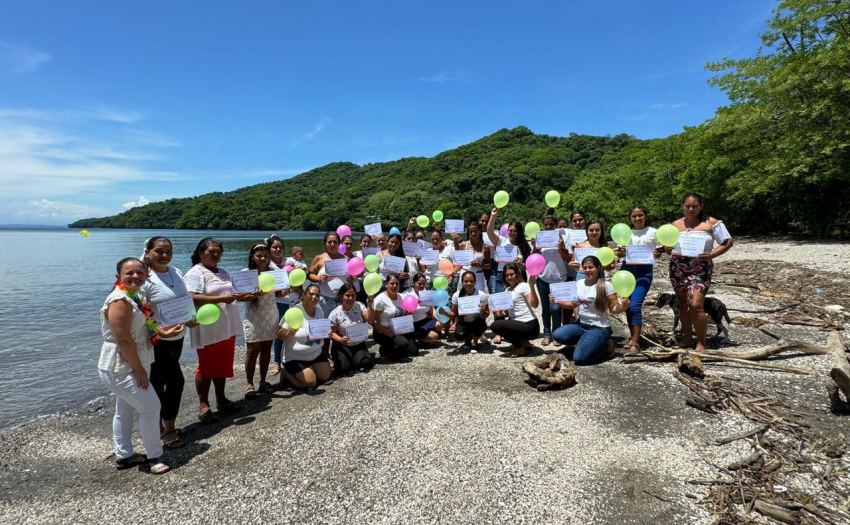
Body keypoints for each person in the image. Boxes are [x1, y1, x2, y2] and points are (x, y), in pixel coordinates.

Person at [99, 258, 184, 474]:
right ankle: (155, 456)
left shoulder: (135, 296)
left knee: (124, 409)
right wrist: (137, 369)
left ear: (146, 275)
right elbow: (124, 339)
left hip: (139, 360)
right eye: (129, 273)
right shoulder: (119, 300)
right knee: (151, 407)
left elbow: (145, 324)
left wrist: (163, 332)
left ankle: (124, 455)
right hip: (121, 365)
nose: (135, 276)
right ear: (118, 277)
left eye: (139, 272)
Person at [184, 238, 253, 422]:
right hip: (207, 327)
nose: (215, 255)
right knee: (206, 367)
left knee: (222, 364)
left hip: (226, 325)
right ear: (201, 252)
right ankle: (203, 404)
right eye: (210, 251)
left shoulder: (223, 272)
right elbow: (191, 298)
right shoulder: (195, 273)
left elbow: (233, 296)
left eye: (218, 252)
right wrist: (220, 300)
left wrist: (252, 294)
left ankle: (221, 399)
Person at [141, 236, 195, 450]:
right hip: (155, 340)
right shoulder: (143, 278)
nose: (164, 255)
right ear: (148, 252)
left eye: (168, 251)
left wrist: (189, 316)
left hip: (177, 337)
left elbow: (183, 300)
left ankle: (158, 426)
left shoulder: (176, 272)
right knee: (176, 381)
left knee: (163, 382)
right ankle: (169, 429)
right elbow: (136, 312)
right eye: (159, 251)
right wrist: (158, 330)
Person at [669, 193, 733, 351]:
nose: (691, 209)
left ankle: (701, 343)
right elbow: (666, 245)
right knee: (683, 304)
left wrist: (712, 254)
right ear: (682, 207)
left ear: (701, 206)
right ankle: (687, 339)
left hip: (700, 268)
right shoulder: (675, 224)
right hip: (678, 267)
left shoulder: (712, 223)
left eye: (695, 206)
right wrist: (666, 248)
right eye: (688, 206)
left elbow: (727, 242)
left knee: (696, 304)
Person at [551, 256, 631, 365]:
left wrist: (623, 306)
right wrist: (558, 302)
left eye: (590, 267)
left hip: (598, 327)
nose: (587, 270)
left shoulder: (606, 286)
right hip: (581, 324)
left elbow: (613, 308)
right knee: (558, 335)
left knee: (580, 360)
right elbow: (573, 304)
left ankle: (606, 345)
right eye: (585, 268)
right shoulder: (579, 283)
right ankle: (587, 344)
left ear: (598, 268)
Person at [614, 206, 662, 354]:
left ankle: (636, 341)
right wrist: (621, 253)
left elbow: (659, 252)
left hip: (643, 273)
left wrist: (656, 254)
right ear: (630, 218)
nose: (637, 218)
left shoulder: (653, 232)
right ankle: (634, 337)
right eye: (634, 216)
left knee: (635, 305)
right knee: (627, 305)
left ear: (646, 216)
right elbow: (621, 255)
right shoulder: (625, 233)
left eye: (640, 215)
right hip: (626, 272)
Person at [486, 208, 532, 344]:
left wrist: (521, 265)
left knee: (516, 305)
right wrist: (493, 217)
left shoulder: (523, 246)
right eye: (510, 230)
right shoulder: (501, 241)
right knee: (500, 303)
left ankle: (516, 331)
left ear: (519, 232)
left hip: (518, 279)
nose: (512, 233)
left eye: (515, 231)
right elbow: (489, 232)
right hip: (502, 276)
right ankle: (499, 333)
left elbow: (528, 266)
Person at [242, 244, 280, 398]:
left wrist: (290, 288)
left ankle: (262, 382)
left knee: (266, 348)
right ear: (252, 257)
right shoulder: (246, 274)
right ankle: (249, 383)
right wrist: (253, 295)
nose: (263, 258)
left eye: (265, 255)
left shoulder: (275, 272)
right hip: (253, 314)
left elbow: (280, 292)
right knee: (252, 349)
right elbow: (238, 297)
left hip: (270, 312)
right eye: (259, 255)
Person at [277, 284, 332, 389]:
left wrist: (326, 333)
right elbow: (280, 333)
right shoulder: (295, 311)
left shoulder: (319, 311)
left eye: (317, 295)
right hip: (295, 357)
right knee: (310, 383)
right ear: (304, 295)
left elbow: (321, 331)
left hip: (316, 353)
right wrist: (287, 334)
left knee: (325, 376)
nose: (314, 297)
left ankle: (311, 368)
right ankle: (286, 374)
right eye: (311, 294)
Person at [531, 209, 571, 346]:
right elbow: (533, 258)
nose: (548, 227)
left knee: (556, 308)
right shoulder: (540, 238)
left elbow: (568, 258)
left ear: (556, 225)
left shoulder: (563, 237)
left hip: (560, 278)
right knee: (546, 309)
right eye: (546, 225)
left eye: (551, 224)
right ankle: (547, 334)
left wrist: (561, 247)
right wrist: (535, 247)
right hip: (543, 278)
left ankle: (557, 334)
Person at [266, 235, 301, 377]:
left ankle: (294, 357)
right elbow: (274, 291)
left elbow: (302, 272)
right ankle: (277, 362)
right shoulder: (267, 266)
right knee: (280, 333)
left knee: (295, 331)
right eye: (274, 247)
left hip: (296, 302)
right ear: (269, 249)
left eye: (280, 247)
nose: (278, 249)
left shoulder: (290, 261)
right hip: (279, 303)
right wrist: (292, 288)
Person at [489, 263, 540, 357]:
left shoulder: (523, 286)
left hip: (529, 324)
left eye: (512, 274)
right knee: (501, 322)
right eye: (507, 275)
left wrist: (532, 287)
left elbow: (535, 304)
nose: (509, 277)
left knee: (495, 326)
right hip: (518, 323)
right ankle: (524, 343)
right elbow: (510, 313)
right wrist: (501, 313)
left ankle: (519, 348)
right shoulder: (507, 290)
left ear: (517, 274)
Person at [369, 273, 419, 360]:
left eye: (397, 284)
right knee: (402, 344)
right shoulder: (380, 300)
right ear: (386, 284)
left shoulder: (402, 297)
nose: (394, 286)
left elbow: (403, 315)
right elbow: (374, 322)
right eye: (392, 283)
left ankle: (393, 349)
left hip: (399, 330)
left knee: (413, 351)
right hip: (383, 332)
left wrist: (409, 314)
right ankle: (384, 350)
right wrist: (386, 331)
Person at [328, 284, 374, 376]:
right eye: (347, 295)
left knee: (365, 363)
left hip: (358, 342)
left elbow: (370, 320)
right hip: (342, 344)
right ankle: (348, 360)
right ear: (341, 296)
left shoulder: (360, 305)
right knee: (344, 369)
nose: (350, 298)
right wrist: (340, 339)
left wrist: (370, 306)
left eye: (353, 295)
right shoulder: (335, 313)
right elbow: (331, 333)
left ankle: (355, 358)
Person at [308, 232, 349, 317]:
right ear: (325, 243)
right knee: (324, 325)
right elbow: (310, 274)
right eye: (329, 242)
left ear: (339, 243)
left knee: (341, 327)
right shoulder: (319, 258)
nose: (332, 244)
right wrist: (318, 278)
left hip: (342, 299)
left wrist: (352, 278)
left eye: (335, 242)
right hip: (324, 300)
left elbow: (353, 276)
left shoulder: (346, 259)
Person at [448, 271, 490, 352]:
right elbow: (453, 314)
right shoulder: (457, 295)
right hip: (463, 321)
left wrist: (483, 310)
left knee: (480, 325)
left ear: (475, 282)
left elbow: (487, 315)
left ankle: (475, 341)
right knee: (458, 336)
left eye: (471, 281)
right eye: (466, 281)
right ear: (462, 282)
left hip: (476, 321)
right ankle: (467, 339)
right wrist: (445, 313)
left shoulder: (482, 295)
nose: (469, 283)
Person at [450, 221, 491, 292]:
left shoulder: (485, 247)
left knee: (479, 299)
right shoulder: (464, 244)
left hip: (478, 276)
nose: (473, 233)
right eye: (471, 231)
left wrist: (480, 265)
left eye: (475, 231)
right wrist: (455, 240)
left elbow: (489, 265)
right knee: (463, 299)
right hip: (465, 275)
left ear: (480, 230)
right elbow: (458, 255)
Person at [407, 273, 441, 343]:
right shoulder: (407, 294)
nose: (422, 286)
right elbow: (406, 313)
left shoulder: (426, 292)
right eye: (419, 283)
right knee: (435, 337)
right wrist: (414, 304)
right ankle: (415, 337)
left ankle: (427, 336)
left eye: (424, 283)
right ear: (413, 283)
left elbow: (432, 309)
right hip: (414, 323)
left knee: (442, 322)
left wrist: (439, 319)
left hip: (425, 320)